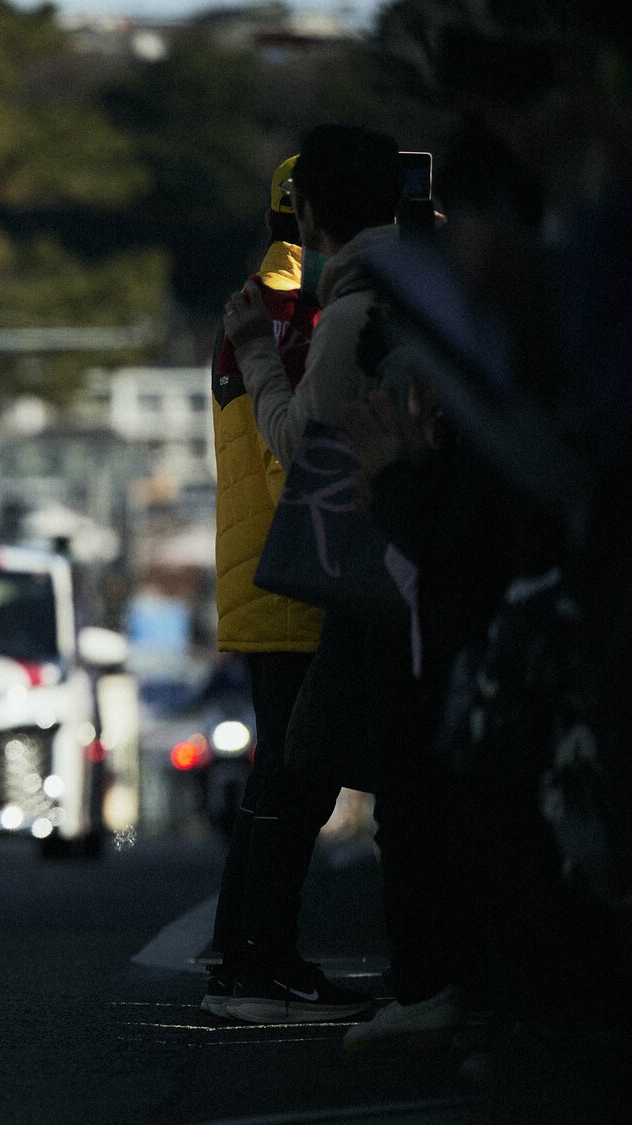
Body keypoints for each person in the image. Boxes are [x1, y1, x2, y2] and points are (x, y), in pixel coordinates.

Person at [224, 124, 466, 1048]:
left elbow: (302, 441)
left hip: (375, 566)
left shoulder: (357, 310)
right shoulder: (433, 282)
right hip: (434, 555)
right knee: (372, 761)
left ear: (311, 211)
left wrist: (254, 351)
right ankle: (420, 972)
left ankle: (412, 978)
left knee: (383, 774)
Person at [202, 156, 370, 1024]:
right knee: (297, 780)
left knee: (283, 771)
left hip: (262, 567)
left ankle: (239, 950)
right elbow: (294, 452)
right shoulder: (298, 308)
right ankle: (260, 957)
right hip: (300, 565)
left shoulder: (256, 298)